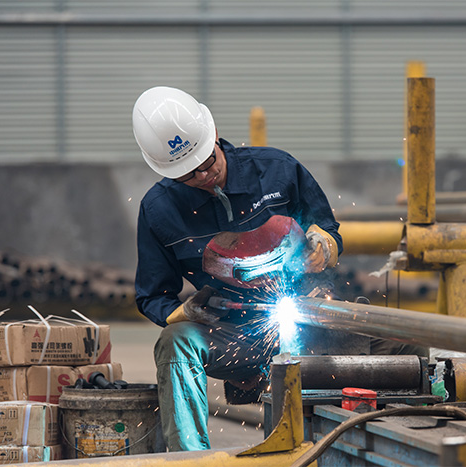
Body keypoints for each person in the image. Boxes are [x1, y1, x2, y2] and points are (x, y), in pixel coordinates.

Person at [132, 86, 342, 451]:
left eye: (207, 161)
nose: (203, 176)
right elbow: (152, 295)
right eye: (188, 174)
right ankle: (191, 460)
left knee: (386, 346)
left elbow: (328, 228)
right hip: (228, 333)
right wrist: (180, 313)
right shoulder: (159, 210)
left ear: (213, 135)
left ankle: (309, 450)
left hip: (305, 318)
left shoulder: (277, 171)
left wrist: (326, 244)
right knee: (174, 343)